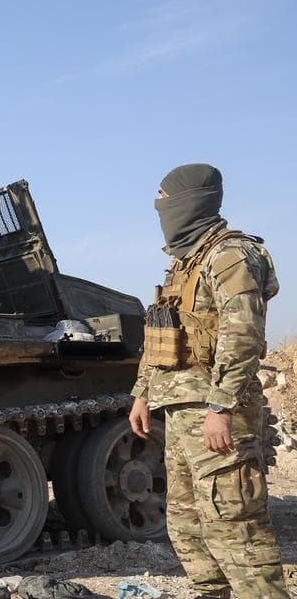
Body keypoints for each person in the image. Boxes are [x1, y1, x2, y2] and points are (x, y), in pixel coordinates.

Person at [128, 163, 287, 599]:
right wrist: (142, 393)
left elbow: (243, 337)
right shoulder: (184, 263)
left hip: (217, 412)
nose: (159, 207)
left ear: (189, 201)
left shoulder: (230, 256)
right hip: (181, 411)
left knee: (236, 527)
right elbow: (162, 333)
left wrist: (222, 406)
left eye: (164, 198)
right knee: (188, 525)